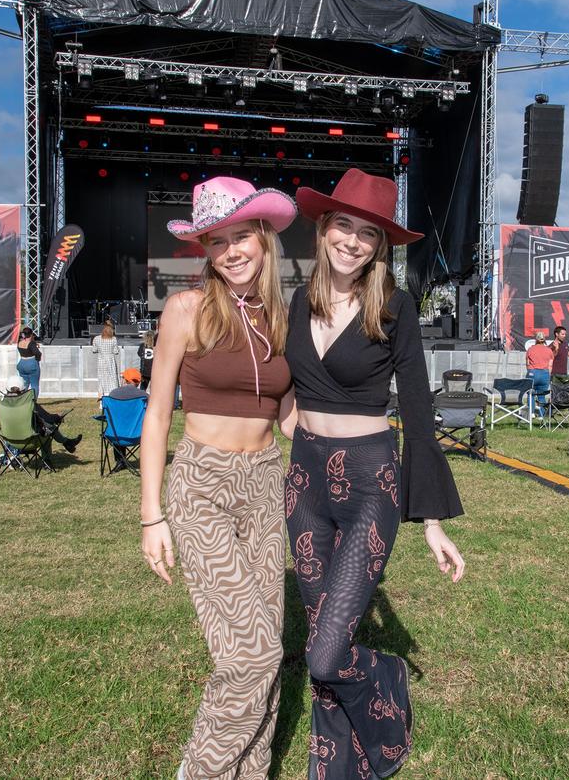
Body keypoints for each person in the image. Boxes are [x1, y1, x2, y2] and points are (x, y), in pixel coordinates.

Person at [284, 168, 465, 779]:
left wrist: (432, 520)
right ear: (323, 227)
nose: (353, 241)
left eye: (368, 233)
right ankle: (334, 766)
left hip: (370, 485)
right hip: (304, 484)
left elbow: (417, 408)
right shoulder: (296, 300)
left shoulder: (394, 306)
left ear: (380, 245)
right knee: (319, 643)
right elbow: (285, 383)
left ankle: (385, 688)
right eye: (344, 225)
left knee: (328, 652)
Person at [139, 176, 297, 780]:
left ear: (264, 240)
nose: (231, 251)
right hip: (202, 484)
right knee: (250, 655)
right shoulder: (186, 309)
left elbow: (287, 417)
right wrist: (152, 516)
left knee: (272, 653)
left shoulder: (281, 316)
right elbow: (157, 415)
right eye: (217, 241)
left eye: (242, 237)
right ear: (204, 250)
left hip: (265, 484)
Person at [0, 375, 82, 469]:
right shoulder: (29, 404)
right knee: (48, 433)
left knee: (47, 427)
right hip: (29, 441)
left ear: (7, 388)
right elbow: (48, 418)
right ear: (24, 389)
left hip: (9, 441)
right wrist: (58, 417)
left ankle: (67, 443)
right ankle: (47, 460)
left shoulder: (1, 404)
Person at [525, 332, 554, 418]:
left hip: (533, 372)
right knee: (542, 396)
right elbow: (550, 366)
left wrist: (531, 372)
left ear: (536, 339)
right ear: (544, 340)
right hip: (545, 373)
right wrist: (547, 375)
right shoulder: (549, 350)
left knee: (531, 394)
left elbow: (527, 364)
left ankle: (531, 413)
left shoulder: (530, 349)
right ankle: (541, 415)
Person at [92, 320, 120, 399]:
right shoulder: (113, 339)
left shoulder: (96, 338)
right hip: (110, 360)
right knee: (113, 378)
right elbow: (116, 351)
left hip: (101, 360)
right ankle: (114, 396)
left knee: (101, 378)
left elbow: (94, 350)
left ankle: (101, 398)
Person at [16, 326, 42, 397]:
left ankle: (22, 400)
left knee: (24, 384)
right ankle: (33, 402)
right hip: (31, 363)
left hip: (21, 363)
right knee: (34, 384)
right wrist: (37, 360)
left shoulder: (19, 342)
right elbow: (38, 353)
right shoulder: (31, 343)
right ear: (31, 334)